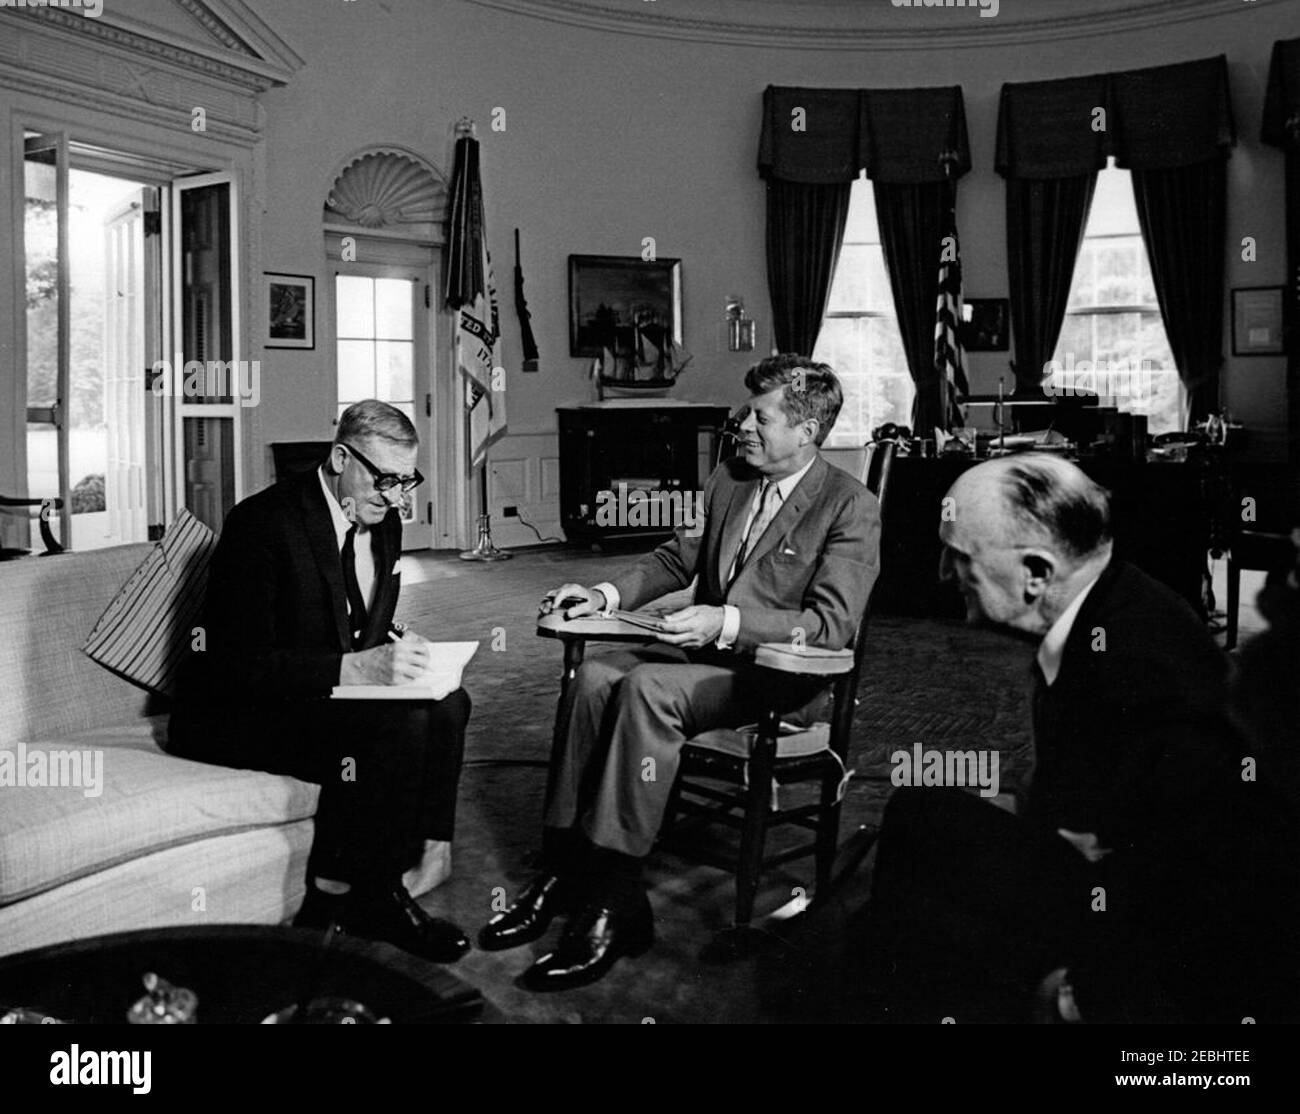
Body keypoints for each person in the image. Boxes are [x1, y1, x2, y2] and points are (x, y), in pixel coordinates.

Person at [479, 354, 881, 990]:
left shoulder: (849, 505)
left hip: (777, 680)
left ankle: (615, 899)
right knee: (595, 678)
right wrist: (603, 595)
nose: (742, 424)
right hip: (706, 665)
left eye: (760, 416)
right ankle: (564, 867)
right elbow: (673, 560)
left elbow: (829, 625)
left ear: (806, 431)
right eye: (746, 412)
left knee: (647, 686)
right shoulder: (729, 479)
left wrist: (726, 621)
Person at [863, 453, 1297, 1023]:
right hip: (1111, 872)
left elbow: (1204, 887)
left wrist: (1077, 998)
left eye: (959, 555)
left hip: (1143, 933)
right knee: (923, 827)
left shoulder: (1139, 668)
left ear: (1036, 574)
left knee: (920, 825)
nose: (944, 573)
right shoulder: (1114, 602)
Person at [168, 400, 472, 963]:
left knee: (451, 702)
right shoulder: (262, 524)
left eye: (406, 481)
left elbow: (353, 615)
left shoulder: (383, 518)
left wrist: (394, 648)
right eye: (385, 479)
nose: (396, 497)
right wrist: (353, 669)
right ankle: (356, 897)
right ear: (339, 459)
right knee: (396, 725)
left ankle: (428, 853)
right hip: (237, 709)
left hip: (323, 691)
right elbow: (234, 665)